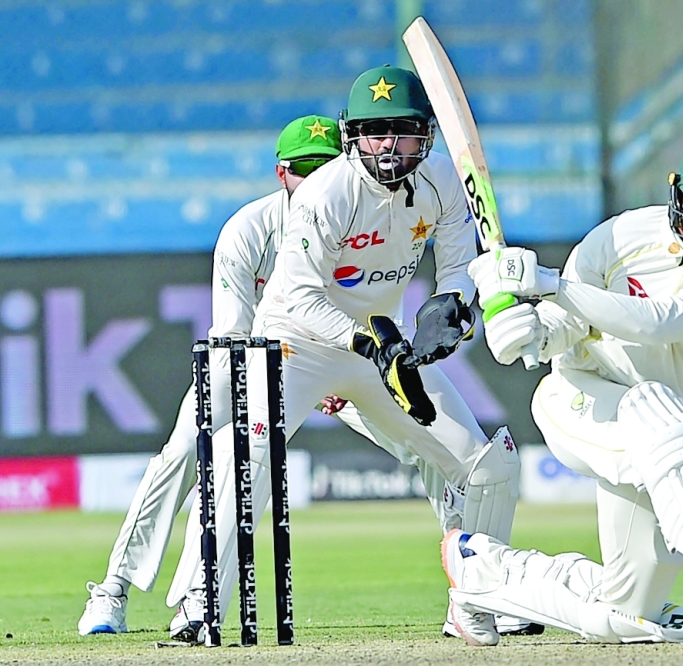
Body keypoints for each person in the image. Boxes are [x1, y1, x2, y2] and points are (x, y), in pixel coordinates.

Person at [163, 65, 525, 646]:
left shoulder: (442, 186)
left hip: (379, 348)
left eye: (402, 131)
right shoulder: (326, 194)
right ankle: (198, 606)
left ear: (424, 135)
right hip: (293, 345)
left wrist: (450, 305)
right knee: (243, 459)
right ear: (351, 134)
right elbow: (300, 297)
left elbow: (458, 266)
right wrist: (369, 343)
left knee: (489, 465)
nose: (388, 145)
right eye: (374, 131)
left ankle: (480, 597)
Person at [444, 133, 683, 645]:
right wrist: (524, 328)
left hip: (658, 435)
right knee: (661, 412)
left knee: (627, 613)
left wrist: (550, 284)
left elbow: (654, 322)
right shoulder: (620, 237)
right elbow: (563, 326)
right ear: (679, 193)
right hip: (577, 399)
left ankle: (482, 570)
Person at [76, 114, 345, 636]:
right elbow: (234, 332)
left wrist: (337, 377)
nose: (315, 183)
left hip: (338, 358)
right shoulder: (248, 230)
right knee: (184, 453)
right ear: (280, 173)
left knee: (423, 437)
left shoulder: (362, 229)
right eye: (304, 170)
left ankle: (474, 580)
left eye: (328, 168)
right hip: (248, 359)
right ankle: (114, 589)